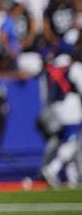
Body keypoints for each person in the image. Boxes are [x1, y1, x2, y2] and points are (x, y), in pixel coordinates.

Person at [39, 45, 82, 188]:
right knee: (72, 143)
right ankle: (52, 168)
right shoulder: (73, 68)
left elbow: (45, 95)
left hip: (56, 109)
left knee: (67, 142)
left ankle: (73, 178)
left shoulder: (51, 70)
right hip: (72, 107)